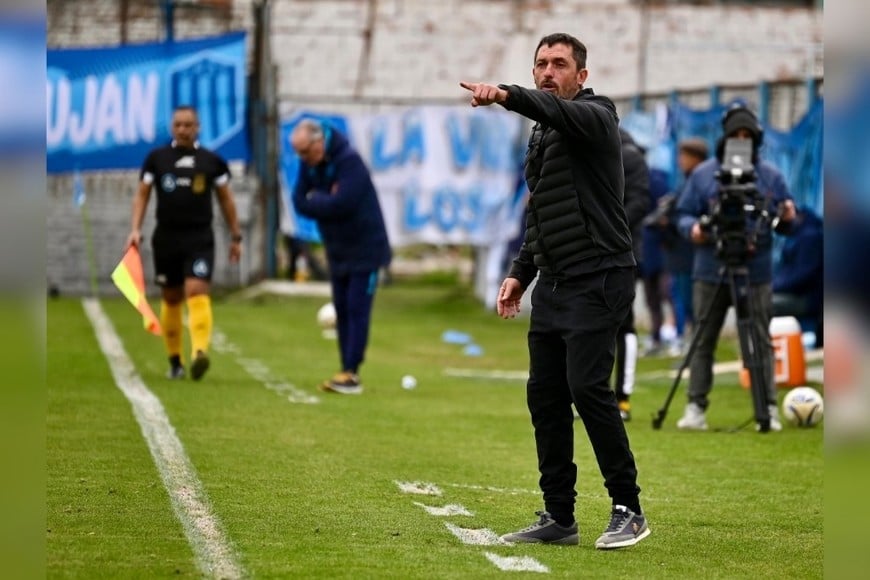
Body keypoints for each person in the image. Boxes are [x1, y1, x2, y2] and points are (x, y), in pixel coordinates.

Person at [460, 32, 650, 550]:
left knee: (589, 389)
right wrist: (521, 272)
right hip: (557, 283)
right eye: (540, 63)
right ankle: (559, 517)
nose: (548, 71)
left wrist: (505, 93)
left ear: (581, 76)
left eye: (559, 64)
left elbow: (553, 109)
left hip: (601, 276)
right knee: (544, 396)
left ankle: (628, 508)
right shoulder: (542, 135)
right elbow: (541, 215)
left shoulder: (597, 116)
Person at [675, 104, 796, 431]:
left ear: (756, 140)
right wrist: (694, 229)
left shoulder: (771, 176)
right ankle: (695, 406)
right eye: (735, 136)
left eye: (747, 136)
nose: (741, 141)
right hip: (710, 269)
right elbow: (683, 214)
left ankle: (766, 408)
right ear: (725, 139)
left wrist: (787, 215)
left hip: (755, 271)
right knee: (703, 339)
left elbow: (787, 222)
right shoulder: (704, 175)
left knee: (758, 339)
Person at [126, 105, 242, 381]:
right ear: (171, 127)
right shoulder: (157, 158)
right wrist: (135, 229)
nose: (183, 129)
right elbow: (142, 195)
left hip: (199, 237)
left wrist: (236, 236)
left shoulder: (211, 161)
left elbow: (226, 200)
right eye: (178, 124)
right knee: (172, 297)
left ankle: (199, 352)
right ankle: (175, 360)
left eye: (188, 125)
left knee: (197, 289)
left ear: (198, 127)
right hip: (166, 237)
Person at [290, 118, 392, 395]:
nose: (304, 159)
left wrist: (318, 199)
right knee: (342, 308)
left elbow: (344, 203)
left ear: (318, 141)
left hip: (366, 248)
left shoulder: (349, 161)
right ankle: (345, 368)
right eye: (299, 154)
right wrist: (325, 198)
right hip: (337, 249)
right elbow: (299, 201)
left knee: (357, 308)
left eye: (306, 152)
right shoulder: (309, 162)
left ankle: (351, 372)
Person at [644, 138, 708, 356]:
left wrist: (670, 220)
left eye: (686, 156)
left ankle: (691, 342)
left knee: (687, 299)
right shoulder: (687, 184)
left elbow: (692, 216)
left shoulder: (701, 184)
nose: (681, 161)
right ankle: (685, 340)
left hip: (691, 252)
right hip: (678, 252)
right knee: (678, 295)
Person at [612, 128, 652, 421]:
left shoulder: (630, 156)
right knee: (587, 329)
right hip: (584, 256)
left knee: (623, 326)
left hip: (622, 256)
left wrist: (605, 228)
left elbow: (640, 202)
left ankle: (622, 399)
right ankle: (591, 397)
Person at [772, 206, 823, 348]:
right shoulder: (797, 235)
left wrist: (775, 287)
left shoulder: (809, 237)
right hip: (798, 294)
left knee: (766, 305)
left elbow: (802, 277)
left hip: (808, 298)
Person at [278, 190, 328, 282]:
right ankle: (322, 276)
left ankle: (292, 276)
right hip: (293, 228)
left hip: (297, 229)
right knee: (299, 252)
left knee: (297, 253)